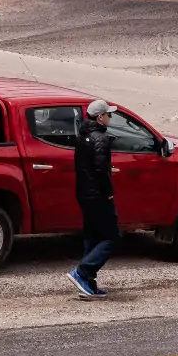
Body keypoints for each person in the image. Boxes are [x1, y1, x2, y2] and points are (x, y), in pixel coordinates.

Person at [67, 98, 119, 298]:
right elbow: (100, 170)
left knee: (92, 236)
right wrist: (109, 192)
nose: (110, 117)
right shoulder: (100, 139)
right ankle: (82, 273)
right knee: (111, 237)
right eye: (109, 114)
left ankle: (87, 283)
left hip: (84, 194)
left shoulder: (82, 135)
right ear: (100, 117)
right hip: (98, 195)